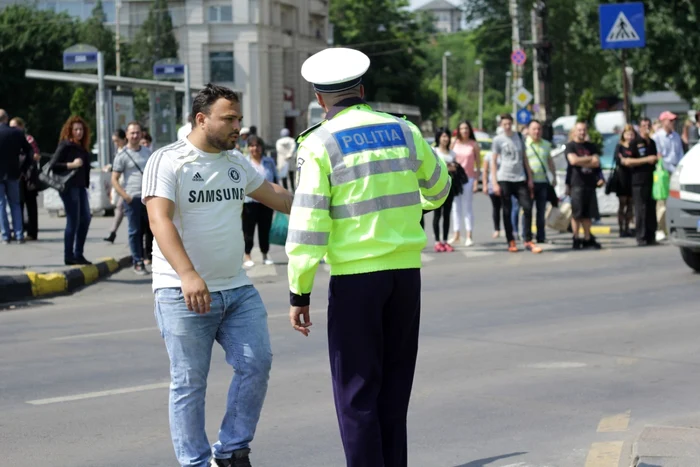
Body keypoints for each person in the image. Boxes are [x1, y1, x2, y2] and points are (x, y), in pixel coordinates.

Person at [286, 47, 451, 467]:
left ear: (321, 99)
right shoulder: (404, 131)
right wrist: (410, 213)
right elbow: (439, 189)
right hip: (405, 276)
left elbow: (308, 224)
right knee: (394, 392)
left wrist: (299, 291)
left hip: (356, 278)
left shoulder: (319, 142)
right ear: (362, 89)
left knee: (357, 395)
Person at [143, 83, 293, 467]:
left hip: (238, 290)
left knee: (256, 363)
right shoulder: (169, 160)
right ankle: (194, 462)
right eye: (229, 119)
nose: (237, 127)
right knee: (190, 384)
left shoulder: (235, 162)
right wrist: (188, 273)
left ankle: (231, 451)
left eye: (239, 119)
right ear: (201, 119)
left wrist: (327, 203)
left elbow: (275, 195)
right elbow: (159, 220)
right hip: (182, 292)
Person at [491, 114, 542, 253]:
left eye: (509, 124)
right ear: (501, 125)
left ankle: (528, 239)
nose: (507, 126)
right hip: (504, 178)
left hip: (520, 178)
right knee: (506, 211)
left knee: (528, 207)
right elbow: (494, 162)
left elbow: (524, 158)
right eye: (504, 124)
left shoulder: (519, 137)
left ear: (512, 124)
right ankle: (511, 240)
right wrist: (494, 182)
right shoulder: (497, 140)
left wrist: (530, 178)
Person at [49, 116, 93, 264]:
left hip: (81, 187)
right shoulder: (65, 145)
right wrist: (71, 165)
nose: (79, 132)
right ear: (70, 130)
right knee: (73, 220)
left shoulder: (82, 147)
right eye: (76, 129)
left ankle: (78, 253)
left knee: (85, 218)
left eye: (81, 129)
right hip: (69, 187)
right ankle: (69, 256)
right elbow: (53, 165)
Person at [111, 121, 152, 275]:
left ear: (141, 134)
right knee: (135, 231)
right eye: (132, 133)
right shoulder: (122, 155)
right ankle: (138, 261)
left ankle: (151, 258)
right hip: (132, 198)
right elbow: (114, 179)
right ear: (127, 135)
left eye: (137, 132)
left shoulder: (147, 152)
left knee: (152, 229)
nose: (135, 135)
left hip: (148, 198)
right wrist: (126, 196)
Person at [620, 118, 658, 246]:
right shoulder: (635, 142)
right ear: (640, 127)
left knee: (651, 208)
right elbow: (628, 161)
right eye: (644, 125)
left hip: (651, 179)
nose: (646, 127)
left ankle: (651, 236)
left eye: (648, 125)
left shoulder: (652, 142)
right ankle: (641, 237)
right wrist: (647, 159)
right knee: (641, 209)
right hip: (638, 181)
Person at [0, 110, 36, 244]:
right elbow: (29, 151)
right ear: (6, 119)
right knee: (15, 204)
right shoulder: (17, 133)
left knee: (1, 205)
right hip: (14, 173)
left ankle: (5, 236)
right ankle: (20, 234)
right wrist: (24, 168)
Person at [565, 121, 602, 250]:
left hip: (590, 184)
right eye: (579, 130)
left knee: (588, 214)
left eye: (584, 130)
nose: (582, 132)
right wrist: (589, 159)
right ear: (574, 132)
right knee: (577, 214)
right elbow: (572, 161)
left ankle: (587, 238)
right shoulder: (570, 146)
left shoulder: (591, 146)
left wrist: (582, 161)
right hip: (576, 184)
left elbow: (596, 163)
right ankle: (576, 238)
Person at [242, 135, 277, 267]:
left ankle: (265, 254)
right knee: (248, 230)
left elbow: (275, 180)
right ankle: (247, 255)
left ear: (261, 147)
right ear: (248, 148)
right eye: (251, 146)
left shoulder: (269, 162)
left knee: (265, 229)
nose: (255, 148)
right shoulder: (244, 162)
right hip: (249, 202)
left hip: (266, 202)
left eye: (257, 145)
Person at [653, 111, 684, 242]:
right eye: (670, 120)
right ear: (663, 121)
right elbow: (659, 156)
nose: (673, 123)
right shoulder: (657, 137)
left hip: (676, 172)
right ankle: (660, 228)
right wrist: (671, 169)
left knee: (677, 201)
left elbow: (680, 154)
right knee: (662, 202)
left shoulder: (676, 136)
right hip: (664, 172)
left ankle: (673, 228)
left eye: (673, 120)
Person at [525, 119, 557, 244]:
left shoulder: (546, 144)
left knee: (541, 211)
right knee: (527, 210)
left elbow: (550, 162)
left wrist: (553, 177)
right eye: (534, 129)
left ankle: (541, 236)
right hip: (528, 183)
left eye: (539, 129)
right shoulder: (524, 144)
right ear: (528, 130)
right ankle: (527, 236)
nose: (537, 131)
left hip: (543, 182)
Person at [433, 127, 464, 252]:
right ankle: (437, 241)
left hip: (449, 186)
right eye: (443, 136)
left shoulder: (452, 154)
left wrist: (454, 168)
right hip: (436, 187)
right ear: (438, 138)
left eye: (447, 136)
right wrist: (446, 166)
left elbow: (455, 168)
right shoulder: (433, 151)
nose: (445, 139)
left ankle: (445, 241)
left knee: (447, 214)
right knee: (437, 214)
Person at [449, 120, 480, 246]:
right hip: (456, 179)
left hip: (469, 178)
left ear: (470, 130)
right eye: (462, 128)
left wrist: (477, 180)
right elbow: (449, 158)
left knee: (467, 207)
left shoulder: (474, 145)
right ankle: (456, 234)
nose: (464, 131)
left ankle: (469, 235)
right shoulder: (454, 143)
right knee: (456, 207)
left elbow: (478, 164)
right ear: (458, 130)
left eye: (466, 128)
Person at [9, 117, 41, 241]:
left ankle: (32, 233)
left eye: (15, 127)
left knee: (31, 205)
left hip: (28, 176)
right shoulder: (12, 140)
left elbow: (35, 154)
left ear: (21, 127)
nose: (12, 129)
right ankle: (20, 230)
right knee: (19, 204)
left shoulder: (28, 139)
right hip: (17, 176)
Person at [613, 124, 637, 237]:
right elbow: (618, 160)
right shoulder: (620, 146)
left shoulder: (635, 146)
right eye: (627, 134)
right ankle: (621, 228)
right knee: (622, 203)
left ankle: (628, 227)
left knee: (630, 204)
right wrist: (626, 161)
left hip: (633, 177)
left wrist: (627, 161)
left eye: (631, 134)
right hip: (622, 178)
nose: (630, 136)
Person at [104, 129, 128, 244]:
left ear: (124, 139)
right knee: (120, 208)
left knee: (120, 208)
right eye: (114, 141)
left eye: (117, 141)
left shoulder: (127, 151)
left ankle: (113, 232)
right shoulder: (119, 151)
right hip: (121, 185)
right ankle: (112, 232)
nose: (115, 143)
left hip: (128, 186)